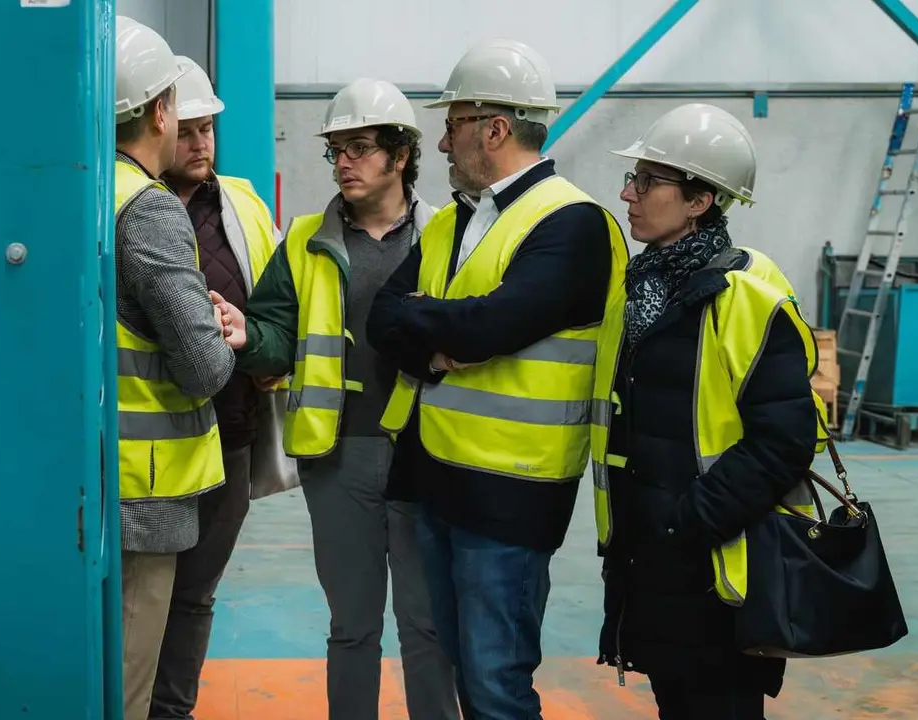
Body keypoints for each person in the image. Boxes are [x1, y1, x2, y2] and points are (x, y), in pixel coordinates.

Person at [365, 40, 629, 719]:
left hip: (511, 493)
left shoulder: (573, 224)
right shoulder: (455, 219)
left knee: (496, 685)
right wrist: (434, 341)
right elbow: (383, 320)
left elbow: (490, 327)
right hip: (437, 477)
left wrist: (435, 320)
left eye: (452, 124)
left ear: (495, 128)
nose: (443, 141)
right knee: (463, 667)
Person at [213, 78, 460, 720]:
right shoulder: (303, 239)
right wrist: (248, 337)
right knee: (352, 626)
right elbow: (274, 334)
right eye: (336, 150)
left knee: (428, 626)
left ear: (400, 155)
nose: (343, 162)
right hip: (339, 456)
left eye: (358, 147)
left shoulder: (449, 237)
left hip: (425, 455)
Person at [592, 103, 820, 718]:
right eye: (632, 178)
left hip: (719, 566)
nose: (627, 193)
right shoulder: (637, 292)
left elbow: (785, 441)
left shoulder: (748, 296)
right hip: (652, 561)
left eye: (646, 181)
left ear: (698, 201)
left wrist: (688, 522)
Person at [149, 56, 286, 720]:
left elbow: (280, 307)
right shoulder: (130, 209)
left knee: (195, 595)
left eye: (209, 130)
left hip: (230, 435)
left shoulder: (244, 204)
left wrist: (262, 348)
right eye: (190, 130)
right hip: (151, 443)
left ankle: (172, 711)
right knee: (141, 596)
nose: (202, 144)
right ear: (158, 124)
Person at [111, 17, 236, 720]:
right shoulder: (150, 210)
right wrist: (217, 335)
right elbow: (201, 369)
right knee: (130, 681)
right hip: (145, 488)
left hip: (89, 479)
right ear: (161, 111)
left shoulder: (81, 190)